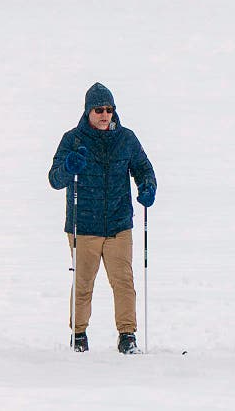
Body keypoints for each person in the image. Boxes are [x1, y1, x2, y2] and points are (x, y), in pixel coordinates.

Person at [49, 82, 156, 354]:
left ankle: (127, 335)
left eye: (109, 109)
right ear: (88, 112)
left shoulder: (126, 139)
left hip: (118, 224)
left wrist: (147, 187)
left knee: (123, 282)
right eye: (99, 109)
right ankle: (80, 334)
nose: (104, 114)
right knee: (83, 283)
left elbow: (143, 169)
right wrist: (69, 166)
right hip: (84, 225)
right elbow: (55, 179)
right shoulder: (72, 139)